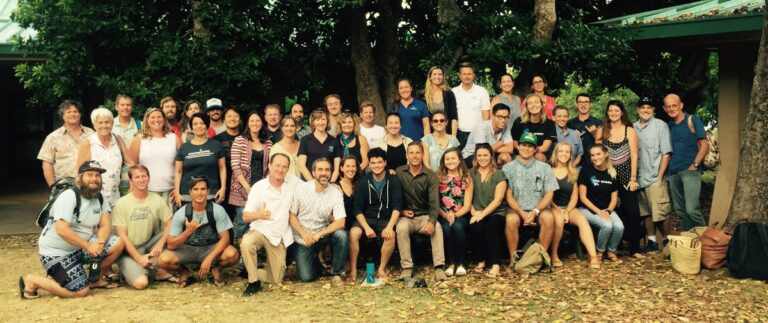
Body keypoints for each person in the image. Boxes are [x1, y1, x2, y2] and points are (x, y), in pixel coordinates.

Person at [21, 161, 124, 299]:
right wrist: (89, 246)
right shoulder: (69, 196)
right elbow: (62, 230)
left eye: (97, 175)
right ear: (80, 177)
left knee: (118, 243)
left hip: (81, 248)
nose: (94, 179)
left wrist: (99, 243)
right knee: (80, 292)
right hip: (57, 253)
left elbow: (105, 225)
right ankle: (33, 281)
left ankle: (94, 279)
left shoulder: (99, 197)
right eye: (90, 175)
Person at [158, 177, 239, 287]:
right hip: (188, 248)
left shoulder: (217, 210)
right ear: (190, 192)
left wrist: (209, 258)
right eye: (195, 189)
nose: (199, 193)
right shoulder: (181, 213)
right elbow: (171, 245)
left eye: (203, 189)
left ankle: (216, 269)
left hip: (210, 247)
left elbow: (225, 239)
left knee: (232, 254)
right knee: (163, 260)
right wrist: (188, 231)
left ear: (208, 191)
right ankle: (184, 272)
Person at [240, 153, 299, 295]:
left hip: (279, 236)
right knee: (247, 242)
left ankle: (251, 270)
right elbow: (245, 216)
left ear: (288, 169)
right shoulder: (259, 187)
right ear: (269, 166)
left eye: (284, 167)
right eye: (277, 165)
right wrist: (258, 215)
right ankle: (253, 282)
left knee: (276, 280)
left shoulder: (293, 182)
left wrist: (334, 186)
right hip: (261, 230)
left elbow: (311, 186)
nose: (280, 169)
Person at [113, 165, 175, 289]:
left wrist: (160, 244)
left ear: (148, 178)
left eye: (144, 176)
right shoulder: (122, 203)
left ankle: (153, 267)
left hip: (148, 245)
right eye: (137, 177)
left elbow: (170, 223)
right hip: (128, 250)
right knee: (141, 283)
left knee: (175, 233)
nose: (141, 180)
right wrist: (138, 258)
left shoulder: (157, 199)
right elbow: (122, 235)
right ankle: (143, 268)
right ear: (131, 181)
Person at [502, 132, 557, 271]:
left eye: (530, 146)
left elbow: (549, 194)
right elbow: (508, 195)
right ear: (518, 146)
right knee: (511, 220)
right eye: (524, 145)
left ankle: (541, 259)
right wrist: (521, 213)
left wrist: (535, 211)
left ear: (535, 149)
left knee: (549, 217)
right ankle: (512, 260)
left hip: (538, 208)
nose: (527, 149)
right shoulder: (508, 168)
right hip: (516, 208)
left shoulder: (544, 167)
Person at [289, 158, 348, 283]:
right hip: (303, 237)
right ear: (313, 172)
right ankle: (316, 260)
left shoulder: (335, 193)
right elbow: (292, 216)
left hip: (322, 234)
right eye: (320, 169)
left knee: (341, 235)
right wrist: (304, 234)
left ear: (331, 173)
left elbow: (341, 222)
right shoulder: (301, 189)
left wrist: (319, 234)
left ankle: (337, 273)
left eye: (327, 170)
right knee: (306, 277)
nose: (324, 173)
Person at [349, 148, 402, 282]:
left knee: (390, 236)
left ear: (385, 163)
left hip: (385, 218)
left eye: (379, 162)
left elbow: (397, 206)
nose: (376, 165)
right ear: (370, 164)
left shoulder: (394, 180)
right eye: (373, 163)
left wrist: (390, 227)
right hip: (366, 218)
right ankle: (353, 269)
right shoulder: (362, 182)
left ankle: (381, 269)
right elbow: (357, 209)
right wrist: (366, 227)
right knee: (354, 233)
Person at [396, 142, 446, 281]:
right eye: (411, 153)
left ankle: (439, 267)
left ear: (423, 155)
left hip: (424, 216)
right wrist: (400, 212)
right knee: (401, 227)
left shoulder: (430, 176)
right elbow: (394, 198)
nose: (414, 156)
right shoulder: (399, 172)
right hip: (407, 216)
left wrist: (431, 221)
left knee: (437, 227)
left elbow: (435, 202)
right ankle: (407, 267)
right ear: (407, 155)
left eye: (418, 153)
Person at [548, 142, 599, 268]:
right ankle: (554, 255)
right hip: (552, 206)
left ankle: (593, 257)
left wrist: (567, 210)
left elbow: (574, 196)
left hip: (569, 207)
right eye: (561, 151)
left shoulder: (574, 171)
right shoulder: (548, 170)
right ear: (556, 153)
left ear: (571, 155)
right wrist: (559, 210)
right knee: (559, 220)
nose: (564, 154)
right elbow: (546, 196)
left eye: (567, 152)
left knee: (582, 220)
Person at [602, 99, 643, 258]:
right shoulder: (603, 130)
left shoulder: (629, 131)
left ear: (622, 113)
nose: (613, 113)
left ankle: (635, 249)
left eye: (616, 111)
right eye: (610, 110)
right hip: (609, 176)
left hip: (627, 177)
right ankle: (613, 247)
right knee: (612, 211)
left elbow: (634, 155)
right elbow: (599, 154)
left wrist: (633, 179)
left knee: (633, 212)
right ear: (607, 113)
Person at [664, 93, 708, 231]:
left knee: (691, 209)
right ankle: (689, 245)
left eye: (674, 105)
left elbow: (704, 145)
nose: (671, 108)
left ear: (681, 105)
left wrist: (694, 165)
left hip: (690, 171)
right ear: (664, 108)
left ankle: (707, 241)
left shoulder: (693, 120)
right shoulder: (668, 126)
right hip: (673, 173)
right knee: (681, 212)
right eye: (668, 106)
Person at [634, 97, 673, 251]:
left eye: (649, 107)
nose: (645, 110)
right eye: (642, 107)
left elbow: (666, 153)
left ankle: (667, 242)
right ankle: (651, 242)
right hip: (638, 178)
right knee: (645, 212)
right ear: (638, 110)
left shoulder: (660, 126)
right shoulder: (633, 127)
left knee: (661, 211)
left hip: (655, 176)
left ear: (653, 110)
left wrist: (660, 176)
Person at [77, 107, 134, 208]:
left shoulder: (117, 140)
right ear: (94, 125)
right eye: (100, 122)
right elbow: (80, 172)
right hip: (93, 197)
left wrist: (132, 185)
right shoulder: (88, 143)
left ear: (112, 123)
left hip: (115, 197)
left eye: (107, 122)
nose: (104, 126)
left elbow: (131, 164)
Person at [128, 107, 181, 212]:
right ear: (147, 120)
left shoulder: (174, 138)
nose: (156, 120)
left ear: (164, 119)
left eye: (159, 117)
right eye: (152, 117)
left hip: (170, 191)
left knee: (168, 226)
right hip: (146, 190)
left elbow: (182, 166)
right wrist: (133, 188)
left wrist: (178, 189)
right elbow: (132, 166)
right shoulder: (139, 139)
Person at [229, 111, 272, 239]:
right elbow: (235, 167)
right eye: (252, 120)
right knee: (243, 221)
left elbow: (270, 165)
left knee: (259, 221)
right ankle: (237, 250)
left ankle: (253, 251)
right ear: (248, 123)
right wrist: (248, 188)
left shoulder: (268, 143)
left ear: (262, 123)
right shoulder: (240, 140)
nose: (255, 123)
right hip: (243, 188)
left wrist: (265, 186)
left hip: (261, 187)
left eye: (258, 121)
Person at [578, 145, 624, 263]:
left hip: (606, 209)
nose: (595, 157)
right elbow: (583, 197)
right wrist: (599, 213)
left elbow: (614, 198)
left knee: (619, 227)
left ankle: (611, 251)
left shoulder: (612, 173)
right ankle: (599, 252)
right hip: (586, 209)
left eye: (598, 154)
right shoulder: (586, 170)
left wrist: (608, 211)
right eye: (593, 155)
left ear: (605, 154)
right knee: (607, 225)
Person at [469, 144, 508, 277]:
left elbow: (498, 201)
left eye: (485, 155)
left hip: (496, 212)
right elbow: (466, 196)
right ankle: (481, 261)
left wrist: (482, 214)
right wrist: (474, 212)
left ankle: (496, 265)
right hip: (477, 211)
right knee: (475, 227)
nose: (482, 158)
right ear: (475, 157)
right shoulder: (470, 173)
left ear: (491, 156)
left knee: (490, 228)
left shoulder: (499, 174)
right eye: (479, 155)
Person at [173, 113, 226, 206]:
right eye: (195, 124)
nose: (199, 126)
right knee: (188, 220)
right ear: (191, 127)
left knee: (210, 220)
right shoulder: (184, 147)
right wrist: (177, 192)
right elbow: (178, 171)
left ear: (207, 125)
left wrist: (223, 188)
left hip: (211, 193)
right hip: (187, 194)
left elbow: (222, 168)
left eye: (202, 123)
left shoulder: (216, 145)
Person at [38, 100, 95, 188]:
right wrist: (52, 185)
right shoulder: (53, 137)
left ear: (80, 114)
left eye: (75, 111)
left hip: (88, 184)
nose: (72, 114)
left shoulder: (91, 134)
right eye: (68, 112)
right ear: (63, 116)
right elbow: (47, 164)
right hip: (63, 186)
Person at [437, 148, 473, 277]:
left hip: (461, 214)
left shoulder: (466, 178)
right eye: (447, 159)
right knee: (446, 229)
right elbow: (435, 202)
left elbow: (467, 205)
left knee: (457, 227)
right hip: (443, 214)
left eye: (453, 158)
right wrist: (445, 215)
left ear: (459, 160)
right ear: (443, 161)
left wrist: (455, 215)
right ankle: (450, 263)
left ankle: (461, 263)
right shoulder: (439, 177)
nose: (450, 161)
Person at [452, 62, 490, 150]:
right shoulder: (454, 92)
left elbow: (486, 115)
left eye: (469, 74)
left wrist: (484, 133)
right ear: (460, 75)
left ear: (473, 75)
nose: (467, 76)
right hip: (459, 133)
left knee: (477, 160)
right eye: (464, 74)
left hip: (477, 134)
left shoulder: (482, 91)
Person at [213, 107, 242, 220]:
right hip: (224, 184)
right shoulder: (216, 140)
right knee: (225, 220)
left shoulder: (246, 137)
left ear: (239, 120)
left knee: (243, 220)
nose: (232, 119)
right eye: (229, 116)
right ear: (224, 120)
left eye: (235, 116)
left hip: (242, 184)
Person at [298, 109, 342, 182]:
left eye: (323, 119)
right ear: (313, 122)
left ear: (327, 121)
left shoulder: (335, 141)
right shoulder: (305, 140)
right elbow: (302, 166)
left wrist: (330, 184)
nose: (320, 123)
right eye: (317, 120)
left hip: (329, 185)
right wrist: (313, 184)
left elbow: (337, 169)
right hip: (309, 185)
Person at [511, 94, 557, 162]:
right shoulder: (519, 121)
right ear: (526, 107)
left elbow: (545, 147)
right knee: (519, 159)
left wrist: (530, 152)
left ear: (542, 105)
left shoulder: (549, 123)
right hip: (521, 152)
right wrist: (524, 153)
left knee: (539, 157)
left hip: (539, 153)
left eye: (536, 102)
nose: (533, 105)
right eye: (530, 103)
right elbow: (515, 143)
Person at [567, 93, 602, 168]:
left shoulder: (598, 123)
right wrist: (572, 137)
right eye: (580, 102)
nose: (583, 105)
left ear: (590, 104)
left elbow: (604, 147)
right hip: (574, 164)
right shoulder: (569, 124)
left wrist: (595, 135)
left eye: (586, 102)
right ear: (576, 104)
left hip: (594, 164)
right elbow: (564, 144)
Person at [423, 66, 458, 135]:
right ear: (430, 77)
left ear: (443, 77)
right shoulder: (422, 95)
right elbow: (423, 120)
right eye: (435, 74)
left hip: (446, 134)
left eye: (440, 74)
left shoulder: (449, 93)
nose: (437, 77)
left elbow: (454, 117)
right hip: (429, 134)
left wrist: (453, 138)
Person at [338, 155, 360, 231]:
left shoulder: (360, 185)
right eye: (347, 166)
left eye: (353, 166)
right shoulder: (336, 187)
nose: (350, 169)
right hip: (341, 227)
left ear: (357, 168)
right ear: (341, 168)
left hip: (357, 227)